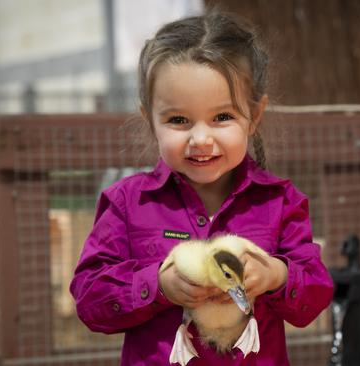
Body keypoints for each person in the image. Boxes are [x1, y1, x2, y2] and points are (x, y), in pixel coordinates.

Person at [70, 10, 334, 366]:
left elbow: (315, 296)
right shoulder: (127, 204)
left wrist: (275, 275)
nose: (200, 139)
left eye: (222, 117)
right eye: (178, 120)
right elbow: (89, 300)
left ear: (254, 116)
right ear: (151, 119)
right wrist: (158, 286)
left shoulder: (280, 201)